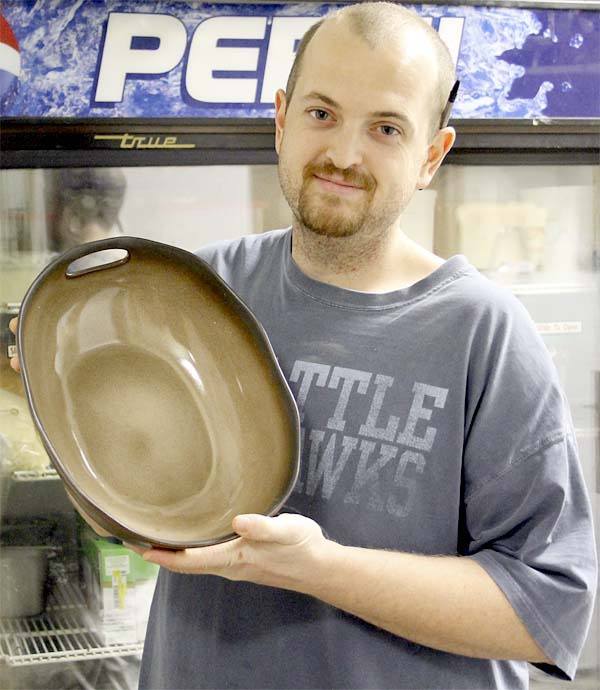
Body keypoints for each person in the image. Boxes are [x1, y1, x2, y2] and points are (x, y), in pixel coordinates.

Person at [9, 3, 597, 689]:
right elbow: (127, 520)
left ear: (431, 155)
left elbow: (547, 612)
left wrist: (316, 569)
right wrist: (62, 407)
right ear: (281, 118)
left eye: (386, 128)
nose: (344, 154)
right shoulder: (199, 289)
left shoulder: (485, 334)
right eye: (322, 114)